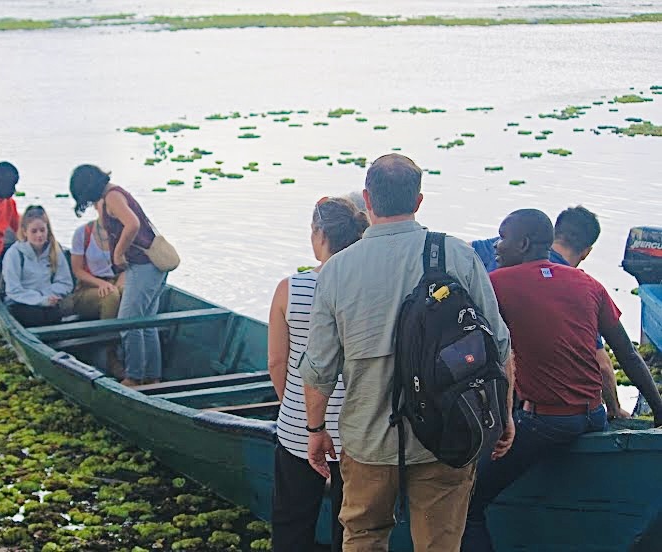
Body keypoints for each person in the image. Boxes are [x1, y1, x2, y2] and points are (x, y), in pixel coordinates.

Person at [300, 154, 512, 551]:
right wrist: (504, 415)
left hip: (368, 440)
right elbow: (498, 344)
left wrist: (315, 430)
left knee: (363, 536)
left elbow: (319, 368)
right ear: (418, 201)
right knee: (439, 543)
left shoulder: (336, 270)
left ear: (367, 200)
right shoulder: (457, 255)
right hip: (448, 434)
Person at [461, 209, 662, 551]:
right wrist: (658, 409)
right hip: (592, 416)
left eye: (502, 239)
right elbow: (626, 356)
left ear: (522, 244)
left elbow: (477, 353)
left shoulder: (498, 284)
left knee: (465, 503)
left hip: (547, 422)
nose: (496, 247)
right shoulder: (587, 283)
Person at [268, 197, 369, 552]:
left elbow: (277, 363)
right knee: (351, 527)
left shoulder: (290, 289)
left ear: (320, 234)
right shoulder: (370, 289)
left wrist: (292, 405)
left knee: (292, 522)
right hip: (359, 432)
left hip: (300, 428)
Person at [473, 206, 630, 419]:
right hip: (548, 409)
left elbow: (459, 254)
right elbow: (603, 363)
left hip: (494, 388)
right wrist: (615, 409)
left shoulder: (497, 249)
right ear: (587, 252)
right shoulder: (581, 285)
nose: (497, 246)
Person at [69, 165, 167, 386]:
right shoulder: (115, 193)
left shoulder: (112, 196)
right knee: (146, 322)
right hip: (153, 266)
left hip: (143, 266)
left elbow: (132, 224)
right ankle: (152, 376)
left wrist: (118, 253)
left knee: (127, 321)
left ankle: (133, 377)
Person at [2, 205, 73, 327]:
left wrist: (49, 295)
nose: (39, 235)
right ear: (25, 232)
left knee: (54, 315)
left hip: (49, 300)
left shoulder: (55, 250)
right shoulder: (14, 254)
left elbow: (65, 282)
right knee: (35, 317)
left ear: (47, 230)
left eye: (42, 230)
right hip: (21, 302)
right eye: (34, 231)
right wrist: (39, 300)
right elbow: (13, 290)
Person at [70, 198, 124, 321]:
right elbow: (77, 270)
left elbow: (128, 266)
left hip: (116, 281)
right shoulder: (82, 233)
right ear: (95, 205)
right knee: (110, 295)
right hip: (88, 288)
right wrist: (101, 284)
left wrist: (120, 284)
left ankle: (130, 334)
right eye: (104, 205)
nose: (109, 210)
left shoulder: (123, 232)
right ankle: (107, 337)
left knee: (126, 292)